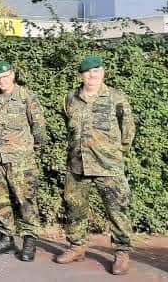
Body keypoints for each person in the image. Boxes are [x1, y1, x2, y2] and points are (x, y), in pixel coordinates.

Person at [56, 56, 135, 276]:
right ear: (81, 75)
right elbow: (69, 127)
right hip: (77, 164)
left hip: (108, 165)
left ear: (104, 73)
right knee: (74, 207)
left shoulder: (116, 97)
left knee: (117, 209)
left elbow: (127, 131)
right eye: (88, 72)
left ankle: (121, 252)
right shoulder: (70, 98)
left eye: (97, 71)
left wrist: (116, 155)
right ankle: (77, 246)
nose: (92, 75)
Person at [0, 60, 46, 262]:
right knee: (1, 200)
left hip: (21, 160)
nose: (2, 81)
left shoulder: (25, 96)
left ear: (13, 75)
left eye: (5, 77)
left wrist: (31, 149)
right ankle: (6, 237)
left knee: (25, 200)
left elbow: (38, 127)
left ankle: (29, 240)